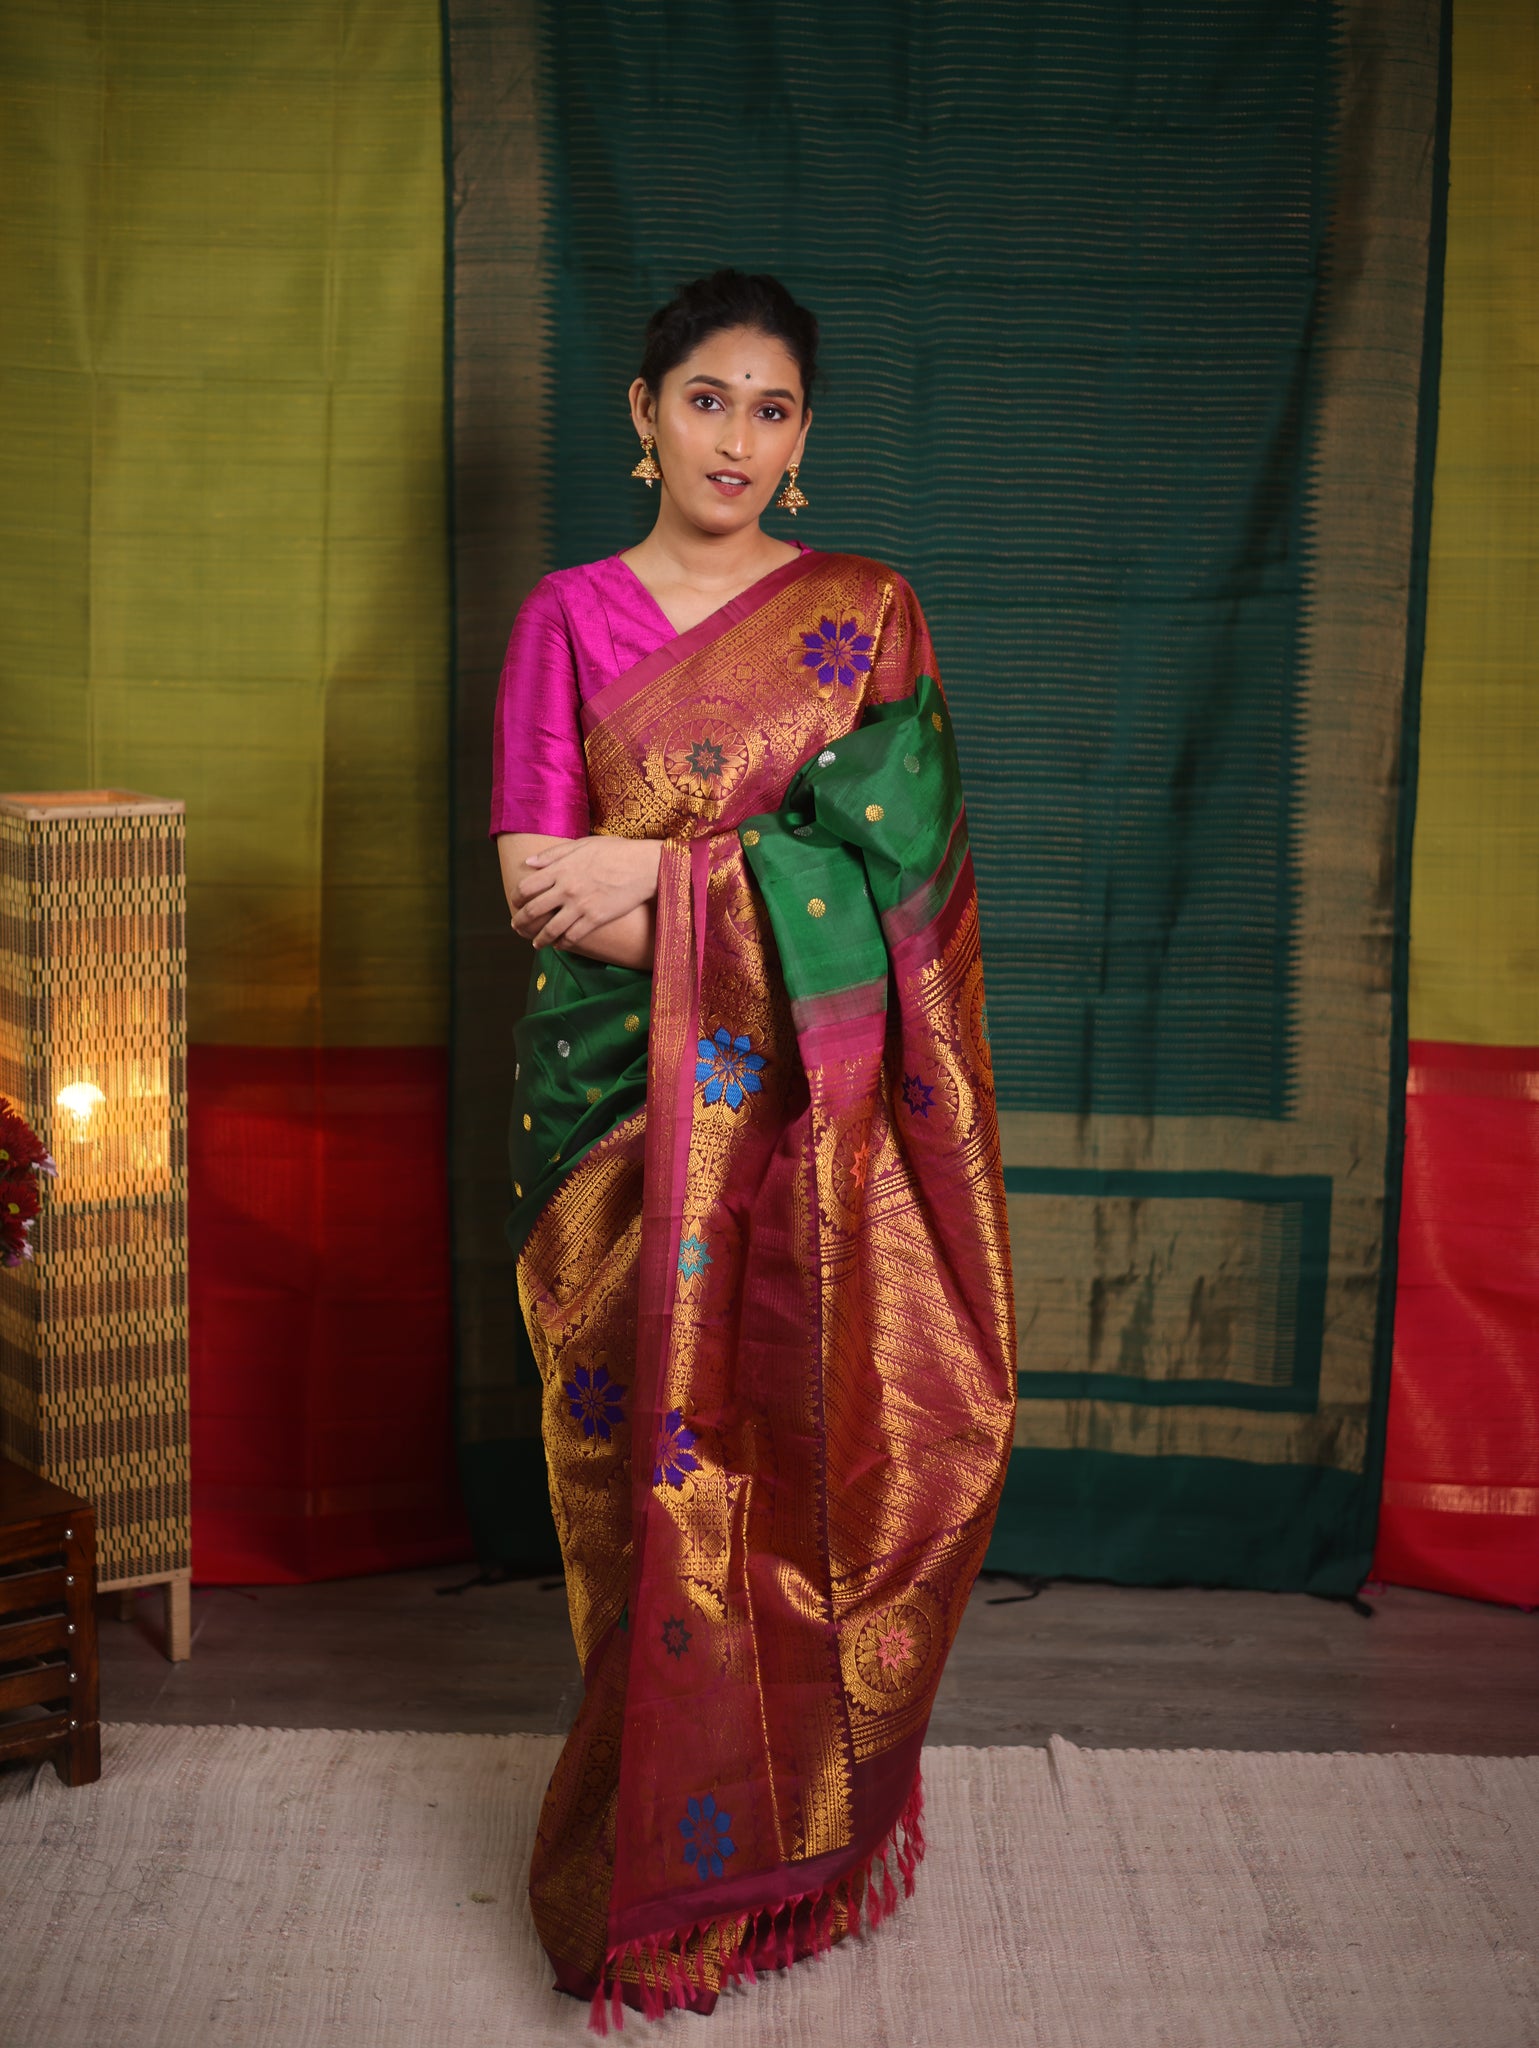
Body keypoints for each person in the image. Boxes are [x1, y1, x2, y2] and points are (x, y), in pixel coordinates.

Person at [490, 268, 1016, 2029]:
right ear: (643, 414)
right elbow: (536, 892)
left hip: (811, 1137)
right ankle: (652, 1879)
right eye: (706, 398)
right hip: (607, 1117)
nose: (736, 437)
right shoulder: (567, 617)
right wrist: (669, 894)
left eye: (771, 409)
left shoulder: (863, 617)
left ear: (805, 440)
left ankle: (794, 1858)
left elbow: (902, 890)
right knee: (637, 1502)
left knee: (812, 1465)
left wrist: (656, 874)